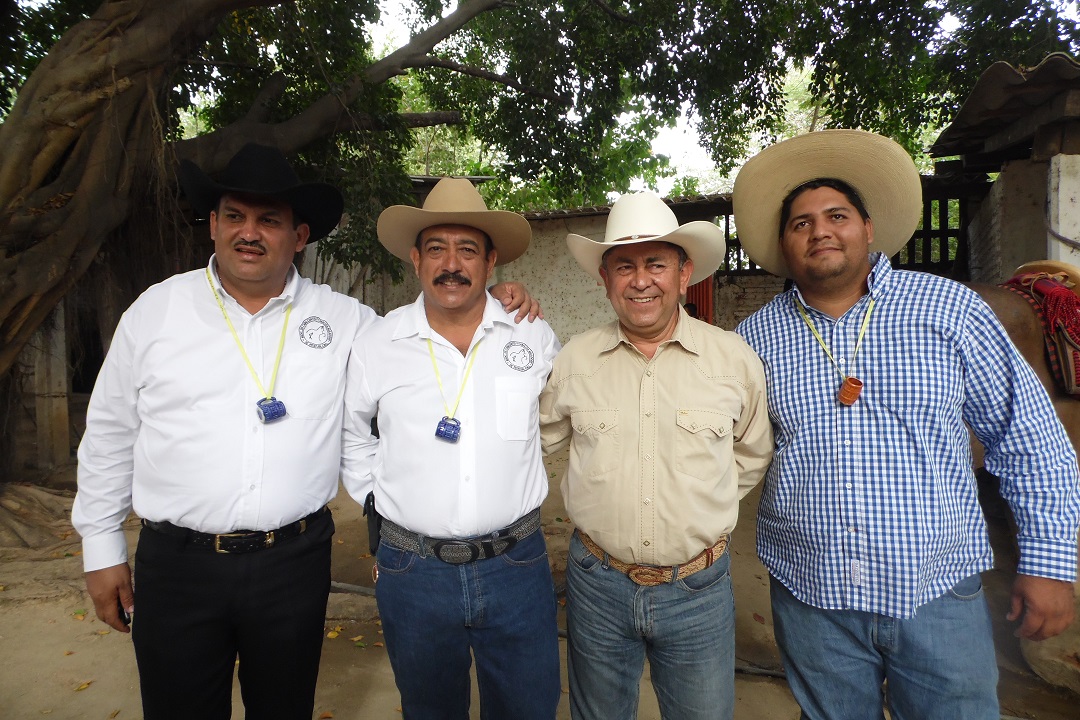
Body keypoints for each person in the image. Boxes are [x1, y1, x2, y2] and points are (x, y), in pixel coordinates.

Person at [71, 146, 537, 720]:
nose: (249, 233)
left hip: (291, 565)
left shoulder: (347, 322)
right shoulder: (155, 312)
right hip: (178, 565)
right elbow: (110, 432)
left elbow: (431, 329)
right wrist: (101, 546)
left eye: (269, 220)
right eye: (235, 216)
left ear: (298, 236)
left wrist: (501, 301)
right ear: (213, 224)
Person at [733, 129, 1080, 719]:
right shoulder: (754, 338)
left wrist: (1048, 563)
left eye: (837, 216)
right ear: (785, 245)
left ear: (868, 229)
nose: (820, 231)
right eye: (800, 223)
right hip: (811, 595)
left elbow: (1028, 439)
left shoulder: (949, 310)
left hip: (935, 591)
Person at [539, 191, 774, 720]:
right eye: (624, 266)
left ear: (683, 274)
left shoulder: (732, 360)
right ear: (605, 280)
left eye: (655, 264)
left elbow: (750, 453)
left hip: (698, 591)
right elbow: (543, 439)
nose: (640, 280)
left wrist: (699, 502)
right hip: (597, 584)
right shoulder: (575, 360)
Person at [340, 178, 562, 719]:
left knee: (529, 708)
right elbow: (351, 433)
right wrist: (378, 502)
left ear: (490, 263)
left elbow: (558, 418)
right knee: (429, 709)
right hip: (413, 573)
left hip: (517, 564)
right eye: (436, 248)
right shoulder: (379, 343)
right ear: (416, 259)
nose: (451, 264)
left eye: (467, 250)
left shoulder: (531, 335)